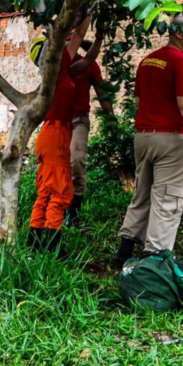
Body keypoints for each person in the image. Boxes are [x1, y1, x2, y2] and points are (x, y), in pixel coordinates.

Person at [110, 15, 183, 269]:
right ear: (179, 33)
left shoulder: (148, 61)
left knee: (142, 194)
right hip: (173, 140)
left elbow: (138, 103)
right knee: (169, 200)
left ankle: (123, 254)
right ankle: (152, 266)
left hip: (144, 137)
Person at [27, 16, 92, 259]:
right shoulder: (58, 68)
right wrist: (88, 11)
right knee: (61, 192)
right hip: (56, 136)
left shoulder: (57, 71)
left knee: (45, 191)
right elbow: (77, 37)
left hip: (49, 134)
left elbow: (78, 41)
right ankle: (54, 243)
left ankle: (34, 240)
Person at [65, 29, 116, 227]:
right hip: (58, 121)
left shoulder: (88, 65)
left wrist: (111, 118)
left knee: (77, 162)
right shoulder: (55, 65)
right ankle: (55, 210)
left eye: (71, 42)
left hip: (78, 120)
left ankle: (74, 213)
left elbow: (101, 90)